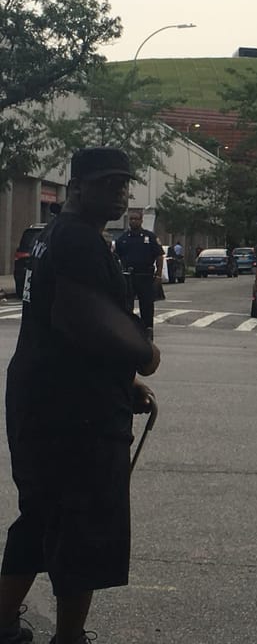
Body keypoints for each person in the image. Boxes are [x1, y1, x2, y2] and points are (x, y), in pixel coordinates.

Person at [0, 147, 161, 644]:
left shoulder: (54, 236)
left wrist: (124, 382)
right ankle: (69, 637)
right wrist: (142, 355)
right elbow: (83, 318)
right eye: (108, 183)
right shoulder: (79, 242)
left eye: (124, 183)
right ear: (78, 187)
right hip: (75, 416)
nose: (119, 192)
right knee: (84, 529)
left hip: (41, 396)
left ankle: (3, 624)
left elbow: (60, 327)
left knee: (40, 516)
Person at [114, 210, 164, 340]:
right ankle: (128, 332)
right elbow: (115, 257)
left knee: (146, 305)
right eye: (131, 219)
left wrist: (158, 275)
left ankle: (147, 331)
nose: (133, 221)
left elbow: (159, 256)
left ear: (141, 220)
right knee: (126, 306)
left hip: (145, 276)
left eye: (136, 219)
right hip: (128, 276)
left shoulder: (150, 237)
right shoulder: (123, 238)